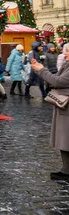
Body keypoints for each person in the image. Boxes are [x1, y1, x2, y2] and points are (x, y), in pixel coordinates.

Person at [31, 48, 69, 180]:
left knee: (66, 138)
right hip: (63, 106)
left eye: (68, 51)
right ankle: (66, 170)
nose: (65, 54)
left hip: (66, 107)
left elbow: (58, 81)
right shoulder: (66, 65)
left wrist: (41, 69)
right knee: (64, 139)